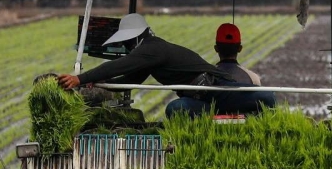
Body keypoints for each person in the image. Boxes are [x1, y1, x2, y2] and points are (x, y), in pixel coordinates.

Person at [57, 14, 275, 118]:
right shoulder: (150, 57)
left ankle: (245, 116)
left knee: (267, 98)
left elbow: (122, 65)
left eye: (126, 41)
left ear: (135, 37)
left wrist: (80, 78)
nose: (126, 46)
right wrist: (103, 84)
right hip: (199, 99)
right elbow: (129, 81)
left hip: (216, 89)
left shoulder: (153, 48)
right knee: (175, 109)